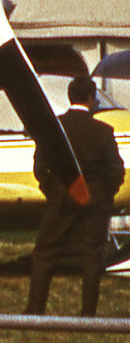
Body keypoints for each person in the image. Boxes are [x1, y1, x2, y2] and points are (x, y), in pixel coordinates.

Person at [26, 75, 125, 317]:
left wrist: (53, 191)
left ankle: (35, 310)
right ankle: (88, 314)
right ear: (91, 99)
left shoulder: (55, 128)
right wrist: (104, 195)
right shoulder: (104, 131)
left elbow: (40, 167)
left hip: (62, 197)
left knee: (44, 253)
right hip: (96, 200)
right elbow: (116, 170)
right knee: (92, 256)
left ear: (70, 97)